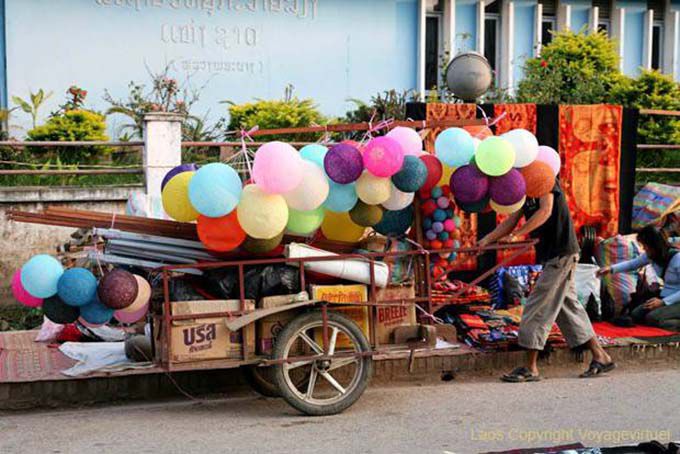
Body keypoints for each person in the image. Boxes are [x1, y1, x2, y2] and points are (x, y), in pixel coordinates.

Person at [478, 180, 614, 381]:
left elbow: (545, 211)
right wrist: (488, 239)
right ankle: (601, 356)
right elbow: (512, 220)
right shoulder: (523, 187)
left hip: (562, 254)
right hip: (553, 257)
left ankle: (530, 367)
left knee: (537, 305)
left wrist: (517, 236)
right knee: (568, 309)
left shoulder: (545, 179)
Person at [597, 226, 680, 331]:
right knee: (636, 314)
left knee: (653, 318)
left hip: (675, 300)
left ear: (654, 245)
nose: (643, 248)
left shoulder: (677, 259)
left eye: (645, 245)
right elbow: (633, 264)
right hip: (664, 297)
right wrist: (611, 269)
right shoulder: (652, 256)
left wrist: (663, 302)